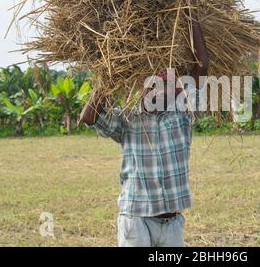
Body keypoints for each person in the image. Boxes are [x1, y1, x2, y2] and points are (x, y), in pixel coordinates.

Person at [79, 13, 209, 247]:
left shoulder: (183, 114)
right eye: (152, 86)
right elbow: (88, 116)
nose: (159, 90)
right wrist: (110, 72)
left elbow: (202, 66)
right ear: (141, 90)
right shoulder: (128, 119)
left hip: (173, 224)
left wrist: (189, 13)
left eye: (165, 85)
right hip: (136, 221)